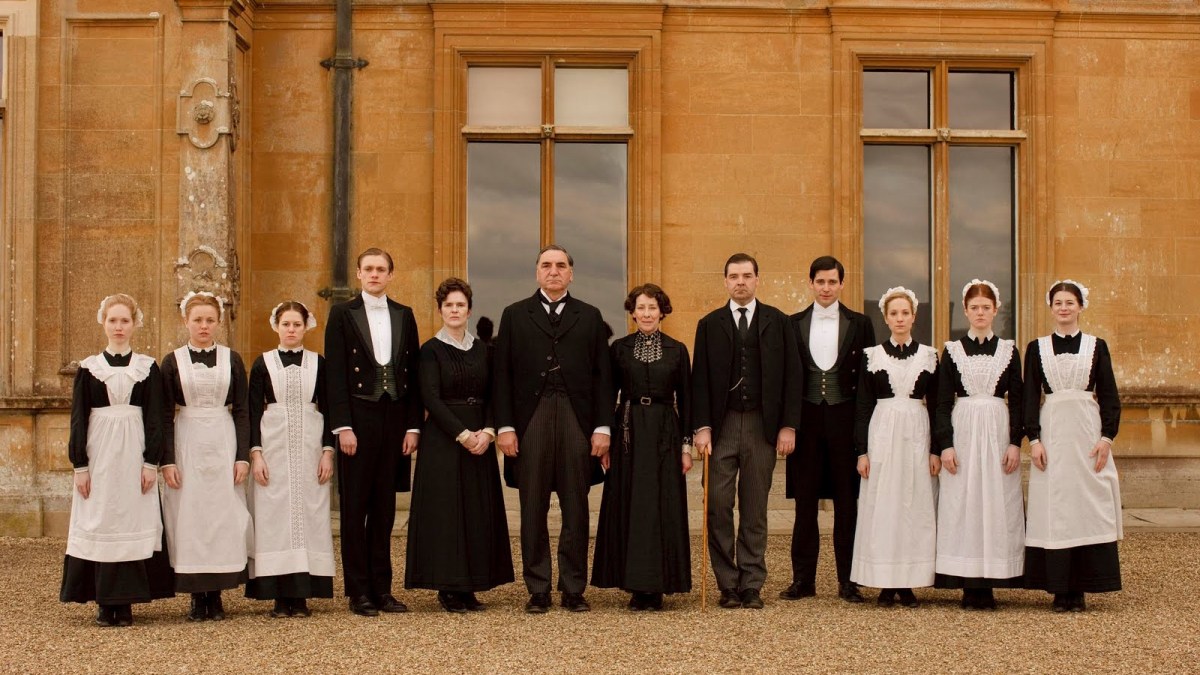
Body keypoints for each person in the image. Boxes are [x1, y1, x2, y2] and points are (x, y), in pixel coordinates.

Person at [493, 244, 614, 614]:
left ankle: (573, 588)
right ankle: (538, 588)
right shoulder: (514, 314)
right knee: (532, 506)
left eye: (561, 265)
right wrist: (505, 426)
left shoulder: (590, 316)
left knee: (577, 506)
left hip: (577, 419)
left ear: (571, 274)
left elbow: (603, 377)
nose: (554, 271)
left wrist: (603, 427)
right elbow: (502, 375)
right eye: (546, 265)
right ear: (537, 272)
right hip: (531, 418)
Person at [692, 253, 802, 610]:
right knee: (718, 505)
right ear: (725, 281)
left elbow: (793, 376)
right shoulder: (709, 324)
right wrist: (702, 427)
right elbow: (700, 379)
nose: (740, 282)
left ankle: (751, 583)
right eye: (734, 276)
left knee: (755, 508)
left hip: (761, 425)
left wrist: (788, 425)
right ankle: (727, 584)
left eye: (747, 275)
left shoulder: (779, 322)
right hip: (721, 426)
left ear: (757, 279)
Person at [61, 294, 174, 627]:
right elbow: (78, 419)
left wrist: (150, 462)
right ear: (103, 322)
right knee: (101, 519)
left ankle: (125, 603)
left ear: (135, 323)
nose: (119, 327)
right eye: (113, 320)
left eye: (125, 320)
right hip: (99, 456)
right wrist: (80, 466)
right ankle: (103, 601)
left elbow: (155, 417)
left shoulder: (147, 368)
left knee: (131, 519)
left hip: (134, 455)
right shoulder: (88, 369)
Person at [324, 248, 422, 616]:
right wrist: (342, 427)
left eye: (381, 269)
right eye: (369, 269)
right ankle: (358, 591)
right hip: (357, 419)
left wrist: (413, 425)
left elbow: (412, 373)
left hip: (394, 417)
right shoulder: (341, 313)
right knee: (354, 508)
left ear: (391, 275)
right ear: (359, 273)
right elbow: (335, 374)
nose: (375, 274)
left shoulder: (404, 314)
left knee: (384, 509)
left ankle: (382, 589)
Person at [405, 279, 513, 612]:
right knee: (447, 512)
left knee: (476, 511)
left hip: (481, 437)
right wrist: (463, 434)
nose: (454, 310)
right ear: (440, 310)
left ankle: (470, 585)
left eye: (460, 305)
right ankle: (448, 587)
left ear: (469, 310)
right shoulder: (430, 350)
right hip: (445, 439)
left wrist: (489, 432)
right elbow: (430, 398)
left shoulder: (483, 349)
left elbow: (495, 393)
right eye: (449, 305)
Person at [592, 284, 693, 611]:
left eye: (652, 307)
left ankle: (659, 584)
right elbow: (606, 394)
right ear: (632, 313)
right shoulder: (619, 349)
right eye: (641, 308)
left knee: (661, 505)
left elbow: (687, 401)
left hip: (665, 432)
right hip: (628, 432)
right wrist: (605, 437)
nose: (647, 314)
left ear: (662, 311)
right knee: (632, 504)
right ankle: (634, 584)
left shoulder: (677, 350)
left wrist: (686, 446)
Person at [1023, 279, 1122, 613]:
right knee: (1056, 508)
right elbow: (1029, 396)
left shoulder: (1097, 346)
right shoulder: (1036, 348)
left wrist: (1106, 437)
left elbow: (1109, 393)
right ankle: (1059, 588)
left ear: (1080, 306)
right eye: (1058, 303)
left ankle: (1081, 587)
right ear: (1051, 308)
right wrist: (1034, 439)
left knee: (1086, 505)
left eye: (1069, 302)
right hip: (1052, 436)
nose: (1064, 308)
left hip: (1086, 435)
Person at [782, 256, 875, 604]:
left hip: (845, 420)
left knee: (847, 504)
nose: (825, 288)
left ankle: (848, 581)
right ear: (810, 283)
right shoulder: (792, 324)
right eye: (820, 281)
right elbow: (787, 378)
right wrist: (787, 425)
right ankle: (802, 580)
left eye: (832, 282)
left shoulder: (861, 323)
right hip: (805, 422)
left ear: (841, 284)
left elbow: (866, 380)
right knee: (805, 503)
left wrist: (865, 432)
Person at [160, 291, 253, 621]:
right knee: (190, 515)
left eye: (210, 320)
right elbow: (163, 414)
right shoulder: (172, 362)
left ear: (218, 322)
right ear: (186, 321)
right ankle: (196, 596)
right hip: (187, 441)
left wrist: (242, 457)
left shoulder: (232, 359)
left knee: (222, 514)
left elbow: (242, 410)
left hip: (223, 440)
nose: (204, 325)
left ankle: (216, 594)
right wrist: (167, 460)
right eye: (197, 319)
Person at [933, 280, 1025, 610]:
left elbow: (1019, 400)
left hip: (997, 433)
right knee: (964, 503)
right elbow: (942, 402)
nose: (980, 313)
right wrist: (945, 444)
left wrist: (1015, 442)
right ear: (966, 310)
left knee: (996, 502)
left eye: (986, 307)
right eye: (974, 308)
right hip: (964, 433)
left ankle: (991, 581)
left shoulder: (1009, 350)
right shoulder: (952, 350)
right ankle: (968, 583)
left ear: (995, 310)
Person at [850, 287, 939, 608]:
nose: (899, 319)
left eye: (905, 313)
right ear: (885, 318)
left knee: (914, 506)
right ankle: (885, 582)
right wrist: (862, 451)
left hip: (916, 435)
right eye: (893, 313)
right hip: (883, 435)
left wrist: (936, 450)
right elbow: (862, 405)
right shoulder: (872, 356)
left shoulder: (929, 356)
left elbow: (937, 406)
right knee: (884, 505)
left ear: (913, 317)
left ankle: (908, 582)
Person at [246, 301, 336, 618]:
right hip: (273, 449)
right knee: (273, 518)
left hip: (310, 449)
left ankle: (301, 596)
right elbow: (252, 411)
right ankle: (278, 596)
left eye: (297, 324)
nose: (291, 330)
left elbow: (329, 408)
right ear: (276, 326)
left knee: (310, 516)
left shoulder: (318, 363)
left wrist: (328, 452)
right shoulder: (263, 363)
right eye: (286, 324)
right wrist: (256, 454)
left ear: (305, 327)